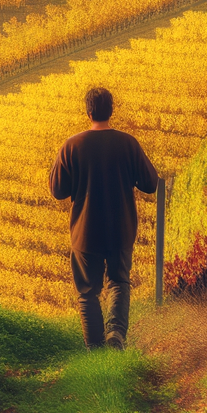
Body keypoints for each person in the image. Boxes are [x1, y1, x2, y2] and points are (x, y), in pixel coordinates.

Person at [49, 86, 158, 349]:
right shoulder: (127, 143)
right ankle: (116, 335)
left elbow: (57, 191)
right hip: (121, 229)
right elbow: (151, 183)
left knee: (87, 292)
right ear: (112, 110)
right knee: (119, 281)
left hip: (85, 233)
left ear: (87, 112)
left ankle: (95, 348)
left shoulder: (72, 146)